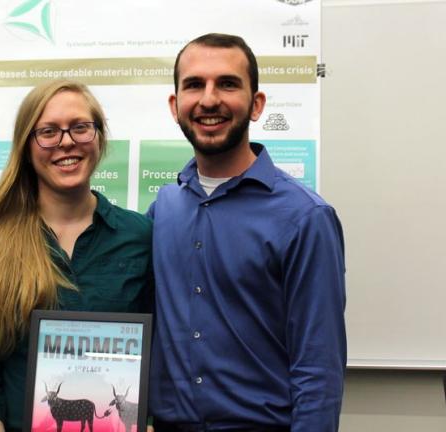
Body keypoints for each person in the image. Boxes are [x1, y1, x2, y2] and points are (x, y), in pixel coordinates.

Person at [147, 33, 347, 432]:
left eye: (227, 83)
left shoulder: (306, 218)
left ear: (256, 105)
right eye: (194, 85)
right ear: (175, 106)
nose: (208, 99)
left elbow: (318, 369)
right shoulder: (162, 210)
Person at [0, 80, 153, 432]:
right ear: (26, 145)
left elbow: (160, 358)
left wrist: (146, 421)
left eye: (80, 127)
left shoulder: (141, 236)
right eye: (48, 131)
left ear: (98, 137)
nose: (66, 141)